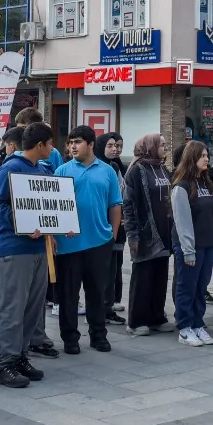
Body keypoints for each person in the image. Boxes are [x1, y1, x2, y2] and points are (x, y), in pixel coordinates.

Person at [0, 121, 60, 388]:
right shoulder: (10, 168)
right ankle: (5, 363)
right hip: (14, 248)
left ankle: (20, 357)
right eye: (51, 143)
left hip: (39, 247)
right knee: (13, 308)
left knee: (32, 307)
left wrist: (61, 225)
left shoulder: (42, 169)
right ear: (40, 145)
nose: (53, 148)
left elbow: (52, 205)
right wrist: (22, 222)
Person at [53, 126, 122, 354]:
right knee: (68, 295)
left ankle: (98, 335)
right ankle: (70, 339)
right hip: (68, 245)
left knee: (97, 293)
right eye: (70, 142)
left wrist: (111, 235)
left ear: (91, 144)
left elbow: (115, 205)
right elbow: (54, 206)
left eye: (78, 142)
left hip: (99, 243)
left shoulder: (108, 171)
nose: (73, 146)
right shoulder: (61, 171)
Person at [169, 140, 213, 346]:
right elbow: (182, 221)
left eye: (207, 155)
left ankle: (198, 323)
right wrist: (188, 250)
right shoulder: (181, 186)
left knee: (201, 287)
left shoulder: (208, 183)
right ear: (192, 158)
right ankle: (185, 327)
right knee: (187, 286)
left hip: (208, 244)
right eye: (202, 156)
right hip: (190, 247)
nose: (206, 159)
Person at [121, 134, 173, 335]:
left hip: (163, 231)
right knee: (143, 278)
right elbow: (128, 204)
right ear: (149, 147)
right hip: (145, 233)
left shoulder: (162, 168)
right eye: (161, 145)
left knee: (160, 277)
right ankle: (136, 321)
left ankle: (156, 317)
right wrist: (132, 234)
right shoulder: (136, 170)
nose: (164, 147)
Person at [98, 133, 127, 323]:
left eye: (117, 146)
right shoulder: (97, 167)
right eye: (110, 146)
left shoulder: (116, 166)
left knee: (114, 268)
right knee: (102, 271)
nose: (114, 149)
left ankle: (108, 306)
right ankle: (100, 309)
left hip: (115, 225)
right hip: (100, 226)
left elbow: (120, 193)